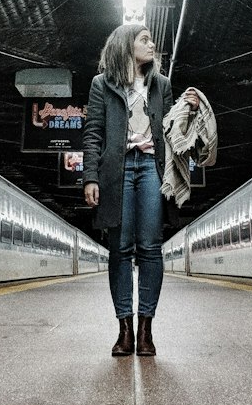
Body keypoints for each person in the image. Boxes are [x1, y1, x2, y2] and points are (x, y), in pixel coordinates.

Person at [82, 24, 198, 358]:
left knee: (149, 247)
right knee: (119, 249)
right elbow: (93, 133)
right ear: (125, 46)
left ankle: (146, 330)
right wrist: (91, 176)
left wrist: (186, 111)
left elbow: (175, 131)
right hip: (116, 169)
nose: (151, 44)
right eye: (144, 39)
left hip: (151, 167)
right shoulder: (101, 85)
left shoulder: (162, 85)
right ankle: (125, 331)